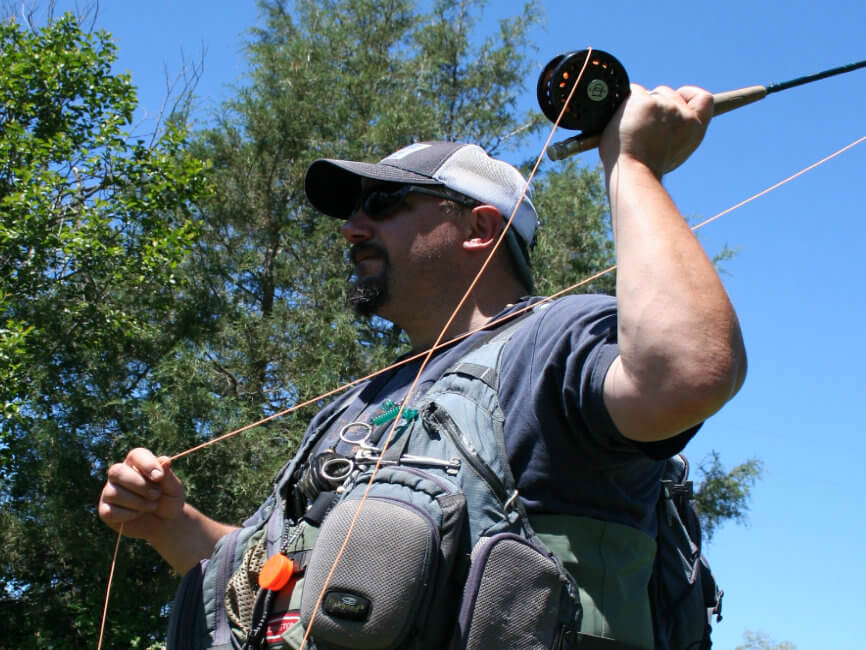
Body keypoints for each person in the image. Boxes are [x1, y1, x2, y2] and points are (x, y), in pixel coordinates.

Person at [99, 84, 746, 649]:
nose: (351, 228)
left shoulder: (553, 342)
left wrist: (630, 166)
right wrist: (171, 525)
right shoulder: (355, 404)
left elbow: (690, 370)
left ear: (479, 229)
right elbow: (267, 579)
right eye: (354, 211)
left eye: (383, 205)